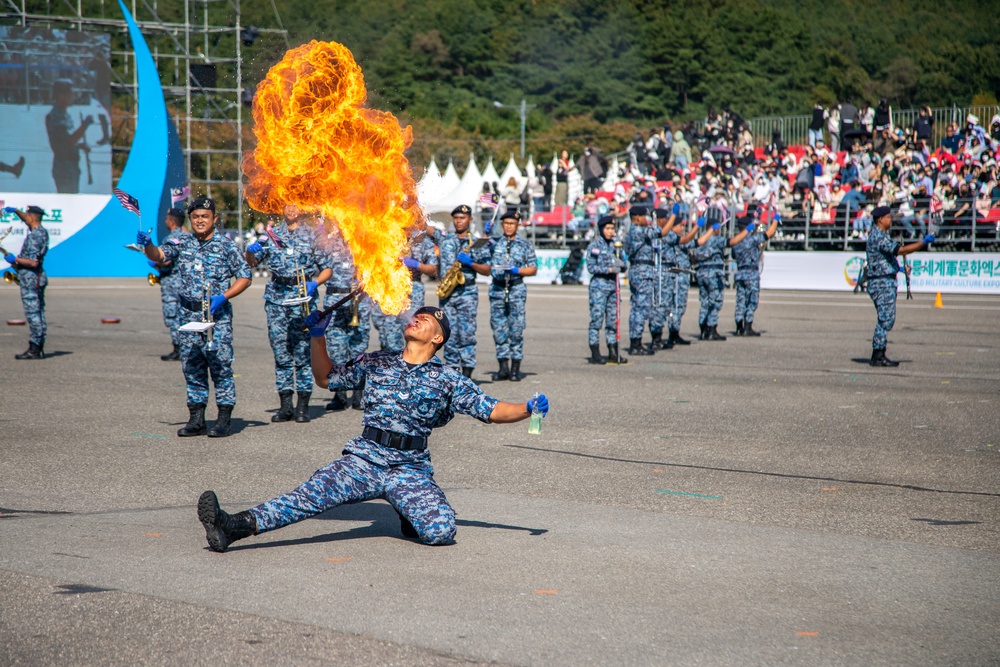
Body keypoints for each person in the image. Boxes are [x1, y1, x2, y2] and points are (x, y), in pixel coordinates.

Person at [196, 306, 550, 552]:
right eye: (416, 315)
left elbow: (491, 410)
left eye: (426, 319)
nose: (417, 319)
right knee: (305, 498)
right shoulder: (377, 360)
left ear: (438, 338)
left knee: (441, 532)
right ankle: (233, 526)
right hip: (363, 459)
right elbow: (325, 378)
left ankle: (406, 510)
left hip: (409, 468)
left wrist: (527, 408)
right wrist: (318, 335)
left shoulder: (447, 378)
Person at [139, 197, 252, 437]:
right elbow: (159, 255)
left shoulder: (226, 246)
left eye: (205, 216)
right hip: (188, 315)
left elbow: (244, 276)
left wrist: (225, 296)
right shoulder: (183, 242)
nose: (200, 221)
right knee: (192, 367)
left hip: (216, 317)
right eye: (196, 217)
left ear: (214, 219)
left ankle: (223, 420)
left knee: (220, 367)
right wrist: (148, 244)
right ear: (190, 220)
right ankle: (197, 419)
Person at [245, 205, 332, 423]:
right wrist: (250, 251)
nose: (292, 209)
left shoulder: (312, 235)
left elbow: (328, 268)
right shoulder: (271, 235)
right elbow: (252, 262)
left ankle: (303, 405)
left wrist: (315, 283)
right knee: (281, 352)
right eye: (288, 204)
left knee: (303, 353)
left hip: (303, 300)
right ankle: (285, 405)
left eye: (296, 204)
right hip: (276, 299)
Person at [865, 206, 935, 366]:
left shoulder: (881, 235)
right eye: (888, 217)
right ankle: (878, 355)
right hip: (881, 282)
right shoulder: (878, 236)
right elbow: (901, 250)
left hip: (884, 279)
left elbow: (884, 259)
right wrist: (923, 242)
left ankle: (879, 354)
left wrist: (900, 268)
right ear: (880, 219)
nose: (891, 220)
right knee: (885, 319)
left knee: (886, 319)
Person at [437, 204, 492, 378]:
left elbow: (487, 269)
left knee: (467, 333)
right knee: (448, 334)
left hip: (467, 292)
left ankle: (467, 373)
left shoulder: (476, 242)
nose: (459, 221)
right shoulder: (445, 239)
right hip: (447, 294)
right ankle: (452, 373)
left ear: (470, 220)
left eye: (462, 218)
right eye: (456, 218)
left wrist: (471, 263)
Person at [370, 225, 438, 352]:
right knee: (389, 334)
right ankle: (390, 363)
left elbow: (433, 270)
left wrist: (415, 264)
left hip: (413, 289)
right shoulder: (387, 240)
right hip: (391, 288)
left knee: (413, 332)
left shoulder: (423, 243)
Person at [488, 209, 538, 381]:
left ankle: (516, 369)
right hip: (497, 289)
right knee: (499, 330)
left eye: (512, 223)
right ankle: (503, 368)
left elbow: (533, 269)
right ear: (502, 225)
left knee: (516, 330)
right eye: (506, 223)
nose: (509, 227)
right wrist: (485, 235)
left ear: (517, 225)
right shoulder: (494, 243)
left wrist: (518, 270)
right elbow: (479, 252)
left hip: (516, 290)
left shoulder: (525, 245)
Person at [622, 205, 673, 355]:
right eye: (644, 216)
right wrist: (674, 216)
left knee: (638, 307)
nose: (647, 219)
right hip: (642, 272)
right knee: (641, 308)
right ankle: (635, 344)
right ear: (637, 217)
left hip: (639, 271)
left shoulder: (633, 232)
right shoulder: (638, 230)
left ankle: (635, 342)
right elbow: (662, 232)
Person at [691, 214, 751, 341]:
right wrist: (746, 230)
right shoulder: (715, 239)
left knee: (705, 302)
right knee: (715, 302)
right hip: (713, 274)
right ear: (714, 228)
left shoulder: (700, 239)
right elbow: (733, 242)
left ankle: (703, 330)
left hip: (701, 273)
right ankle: (711, 330)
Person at [3, 205, 49, 359]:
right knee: (38, 313)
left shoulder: (36, 236)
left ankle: (35, 349)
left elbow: (33, 262)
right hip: (31, 278)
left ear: (33, 217)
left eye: (27, 216)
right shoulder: (40, 232)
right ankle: (37, 347)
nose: (25, 220)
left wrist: (15, 259)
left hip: (31, 279)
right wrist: (16, 211)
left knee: (33, 314)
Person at [655, 203, 700, 347]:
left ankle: (674, 334)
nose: (682, 228)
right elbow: (689, 241)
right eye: (679, 225)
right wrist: (698, 227)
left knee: (679, 306)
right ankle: (665, 336)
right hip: (674, 274)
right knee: (669, 306)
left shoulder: (671, 236)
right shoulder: (670, 237)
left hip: (679, 274)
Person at [149, 208, 191, 361]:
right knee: (187, 317)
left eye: (167, 219)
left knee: (173, 316)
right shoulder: (188, 237)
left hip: (172, 285)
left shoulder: (171, 239)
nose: (166, 221)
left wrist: (155, 261)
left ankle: (178, 349)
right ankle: (188, 348)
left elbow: (165, 260)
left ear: (172, 221)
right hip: (187, 284)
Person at [730, 211, 780, 336]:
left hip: (740, 273)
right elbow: (769, 232)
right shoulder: (752, 239)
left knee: (740, 300)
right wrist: (775, 219)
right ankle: (747, 327)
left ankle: (739, 327)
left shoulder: (735, 242)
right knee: (752, 301)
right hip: (751, 273)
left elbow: (733, 255)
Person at [585, 216, 626, 364]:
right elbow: (591, 267)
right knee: (597, 320)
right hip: (599, 287)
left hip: (613, 288)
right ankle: (595, 352)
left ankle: (613, 352)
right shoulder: (595, 246)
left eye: (612, 228)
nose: (610, 232)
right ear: (601, 229)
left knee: (613, 321)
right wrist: (608, 269)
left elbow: (624, 265)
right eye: (607, 228)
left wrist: (622, 264)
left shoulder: (616, 246)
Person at [45, 79, 93, 194]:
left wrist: (79, 146)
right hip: (64, 169)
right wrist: (85, 125)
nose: (74, 97)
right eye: (71, 94)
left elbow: (68, 142)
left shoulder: (65, 114)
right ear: (61, 96)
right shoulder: (56, 116)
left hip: (71, 166)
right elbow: (67, 141)